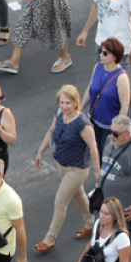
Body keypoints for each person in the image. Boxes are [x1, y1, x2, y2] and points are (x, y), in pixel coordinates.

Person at [32, 85, 98, 253]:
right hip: (62, 165)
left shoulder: (82, 123)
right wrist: (40, 151)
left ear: (76, 103)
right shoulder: (60, 114)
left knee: (60, 202)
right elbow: (51, 131)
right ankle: (91, 222)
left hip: (78, 169)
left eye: (68, 103)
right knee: (78, 194)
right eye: (62, 102)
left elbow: (93, 147)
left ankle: (49, 239)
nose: (64, 106)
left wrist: (97, 172)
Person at [96, 116, 131, 245]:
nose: (111, 135)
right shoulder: (110, 141)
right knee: (101, 232)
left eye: (116, 133)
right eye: (111, 131)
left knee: (126, 237)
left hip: (124, 207)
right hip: (104, 202)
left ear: (128, 134)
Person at [82, 38, 131, 154]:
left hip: (109, 124)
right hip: (94, 119)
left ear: (115, 56)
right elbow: (90, 88)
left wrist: (117, 128)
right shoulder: (98, 67)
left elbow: (125, 106)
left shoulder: (121, 77)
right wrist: (81, 107)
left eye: (105, 53)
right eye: (100, 51)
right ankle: (100, 171)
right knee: (96, 149)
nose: (101, 55)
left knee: (107, 153)